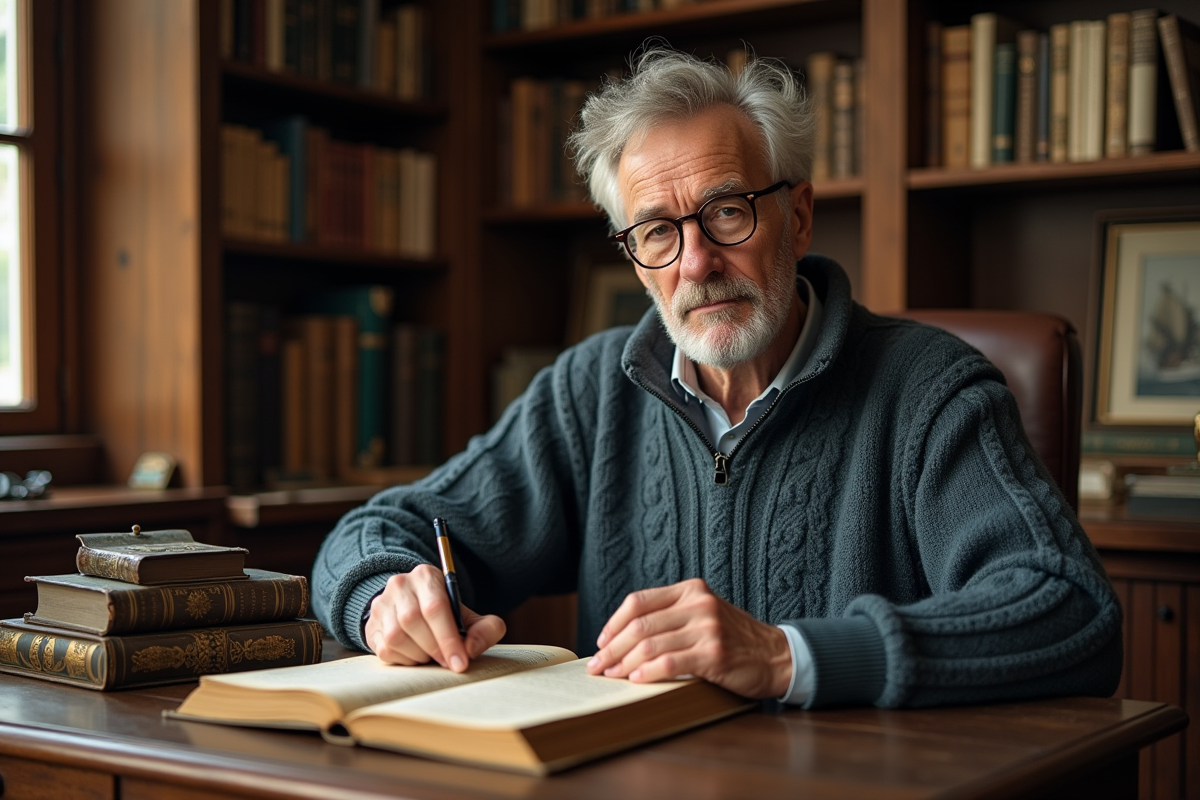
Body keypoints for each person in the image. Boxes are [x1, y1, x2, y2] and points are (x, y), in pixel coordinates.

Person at [312, 46, 1121, 709]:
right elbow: (386, 526)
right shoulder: (593, 391)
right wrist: (384, 595)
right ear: (635, 259)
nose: (697, 262)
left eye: (727, 212)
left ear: (796, 217)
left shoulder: (929, 390)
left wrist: (787, 656)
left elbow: (1070, 610)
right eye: (657, 232)